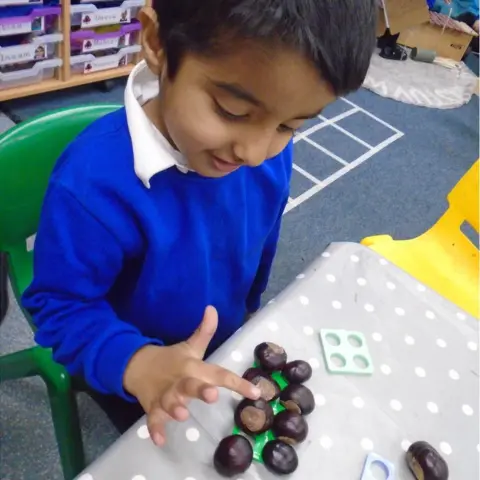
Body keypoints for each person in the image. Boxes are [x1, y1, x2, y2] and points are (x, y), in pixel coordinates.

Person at [22, 0, 377, 445]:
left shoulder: (267, 153)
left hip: (226, 346)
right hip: (139, 371)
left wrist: (252, 306)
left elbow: (260, 239)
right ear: (155, 42)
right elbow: (59, 305)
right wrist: (138, 364)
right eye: (231, 111)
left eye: (289, 125)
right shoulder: (91, 187)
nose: (254, 151)